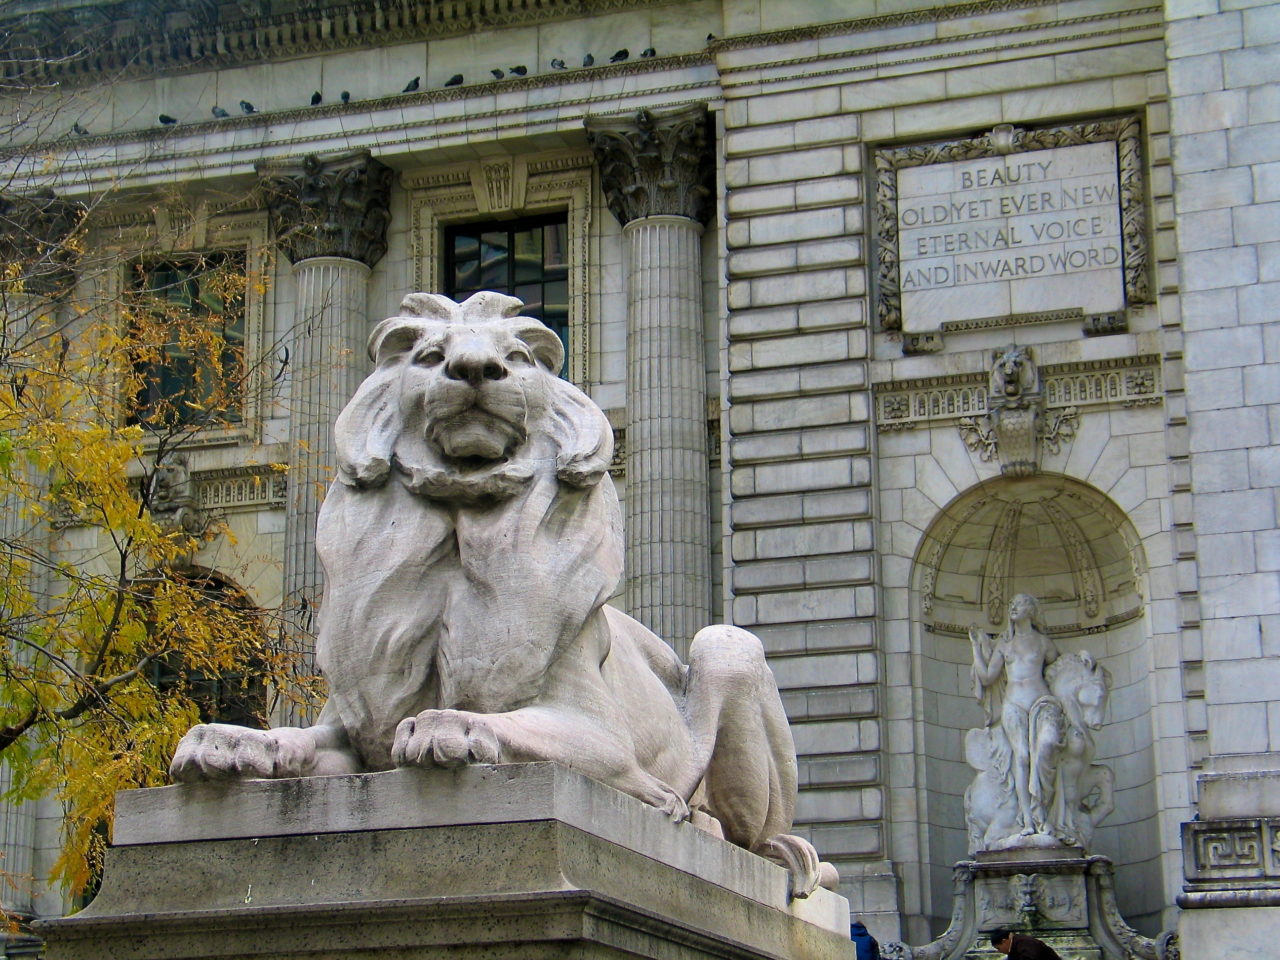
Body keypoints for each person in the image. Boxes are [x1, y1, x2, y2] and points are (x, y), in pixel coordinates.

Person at [970, 593, 1063, 837]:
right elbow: (988, 677)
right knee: (1021, 757)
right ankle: (1028, 820)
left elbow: (1061, 670)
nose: (1013, 606)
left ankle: (1044, 810)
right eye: (1011, 603)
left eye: (1019, 603)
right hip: (1013, 705)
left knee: (1047, 746)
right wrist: (975, 648)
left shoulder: (1043, 643)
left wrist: (1083, 659)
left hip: (1042, 704)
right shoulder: (1004, 645)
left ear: (1032, 610)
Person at [988, 928, 1061, 959]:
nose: (999, 951)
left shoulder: (1024, 944)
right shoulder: (1014, 945)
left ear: (1004, 941)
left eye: (998, 948)